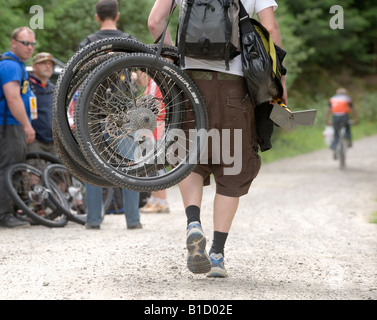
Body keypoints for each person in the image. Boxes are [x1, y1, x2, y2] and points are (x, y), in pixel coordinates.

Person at [148, 0, 286, 277]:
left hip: (189, 84)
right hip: (234, 88)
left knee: (191, 159)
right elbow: (269, 28)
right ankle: (217, 254)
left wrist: (174, 55)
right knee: (232, 168)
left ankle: (193, 223)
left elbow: (155, 21)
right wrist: (280, 79)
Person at [80, 0, 142, 230]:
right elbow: (143, 77)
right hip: (123, 111)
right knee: (128, 164)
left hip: (94, 112)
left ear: (97, 17)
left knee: (93, 166)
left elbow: (76, 79)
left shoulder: (87, 43)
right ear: (117, 16)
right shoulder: (128, 41)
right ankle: (133, 219)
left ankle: (93, 220)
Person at [0, 27, 36, 228]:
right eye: (25, 43)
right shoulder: (10, 65)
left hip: (11, 124)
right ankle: (4, 215)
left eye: (32, 44)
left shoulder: (17, 64)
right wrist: (26, 125)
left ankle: (9, 210)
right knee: (8, 169)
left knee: (11, 169)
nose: (29, 48)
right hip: (8, 125)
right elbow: (13, 98)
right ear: (14, 42)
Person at [27, 52, 57, 157]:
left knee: (61, 172)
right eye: (43, 63)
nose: (47, 66)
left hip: (54, 141)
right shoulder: (26, 87)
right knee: (35, 173)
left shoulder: (54, 89)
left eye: (50, 64)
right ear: (34, 67)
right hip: (34, 141)